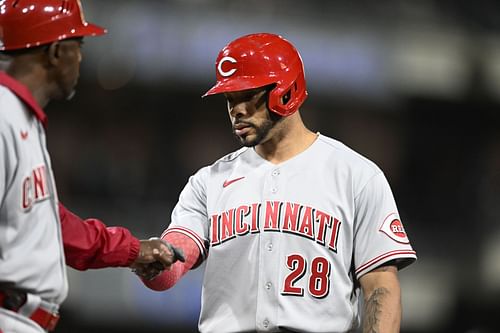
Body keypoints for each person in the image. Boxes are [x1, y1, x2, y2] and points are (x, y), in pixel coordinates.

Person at [134, 33, 417, 333]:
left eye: (246, 95)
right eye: (230, 99)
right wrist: (159, 261)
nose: (236, 110)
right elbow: (177, 253)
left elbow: (381, 288)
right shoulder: (209, 182)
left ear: (286, 91)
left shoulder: (356, 176)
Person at [0, 1, 182, 332]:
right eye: (78, 46)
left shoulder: (22, 117)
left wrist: (132, 250)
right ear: (56, 52)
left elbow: (52, 225)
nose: (81, 59)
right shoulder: (3, 116)